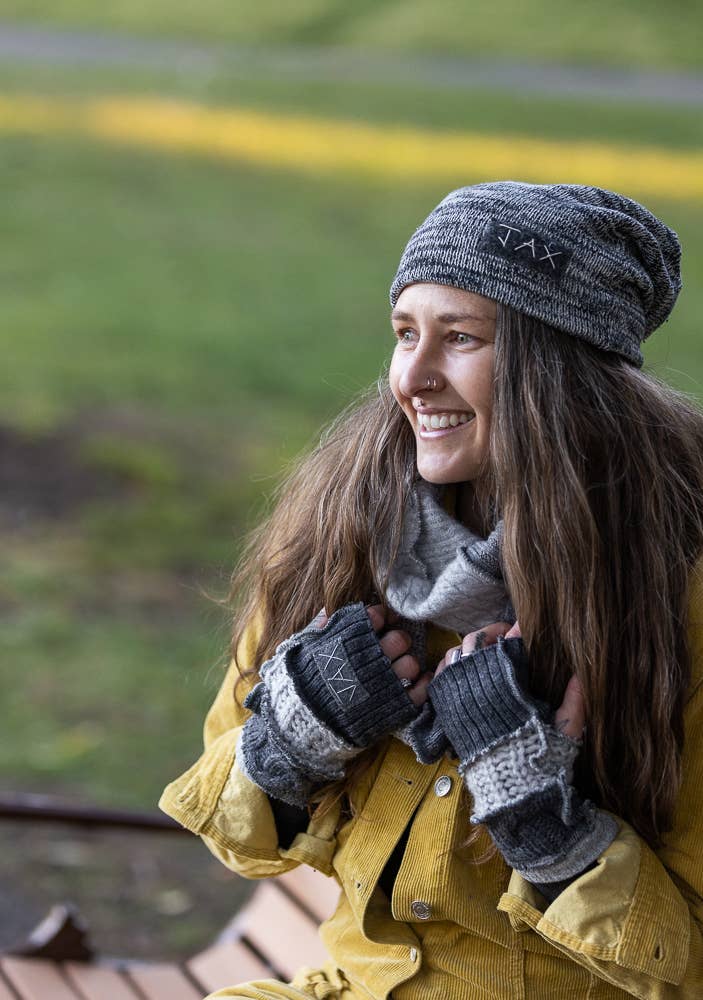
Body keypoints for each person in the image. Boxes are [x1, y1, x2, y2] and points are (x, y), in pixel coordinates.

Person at [160, 181, 703, 998]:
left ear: (558, 371)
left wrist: (546, 830)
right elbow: (234, 838)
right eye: (405, 333)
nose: (411, 377)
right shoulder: (344, 537)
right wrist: (291, 743)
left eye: (460, 338)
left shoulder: (673, 593)